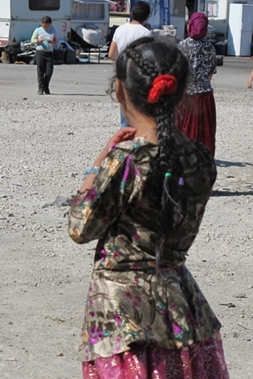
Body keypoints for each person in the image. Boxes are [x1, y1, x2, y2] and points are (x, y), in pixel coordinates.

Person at [68, 37, 229, 378]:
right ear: (182, 92)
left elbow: (80, 227)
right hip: (185, 313)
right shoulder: (200, 159)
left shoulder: (127, 160)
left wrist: (98, 164)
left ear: (120, 91)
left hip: (124, 319)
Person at [176, 12, 217, 157]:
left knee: (184, 127)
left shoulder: (182, 45)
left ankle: (184, 153)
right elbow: (211, 73)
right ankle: (203, 154)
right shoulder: (210, 47)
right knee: (204, 129)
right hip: (205, 95)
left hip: (186, 94)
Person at [108, 1, 152, 127]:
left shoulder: (119, 30)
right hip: (137, 74)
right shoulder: (146, 33)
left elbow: (111, 54)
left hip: (122, 72)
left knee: (124, 108)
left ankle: (124, 138)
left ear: (132, 13)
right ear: (147, 16)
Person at [31, 16, 58, 95]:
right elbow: (32, 40)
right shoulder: (38, 30)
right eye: (44, 26)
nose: (46, 27)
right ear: (41, 24)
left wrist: (52, 42)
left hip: (49, 52)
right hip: (40, 52)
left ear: (50, 24)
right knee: (40, 71)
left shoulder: (53, 31)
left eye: (47, 26)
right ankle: (40, 88)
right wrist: (37, 41)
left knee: (49, 71)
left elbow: (56, 41)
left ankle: (46, 86)